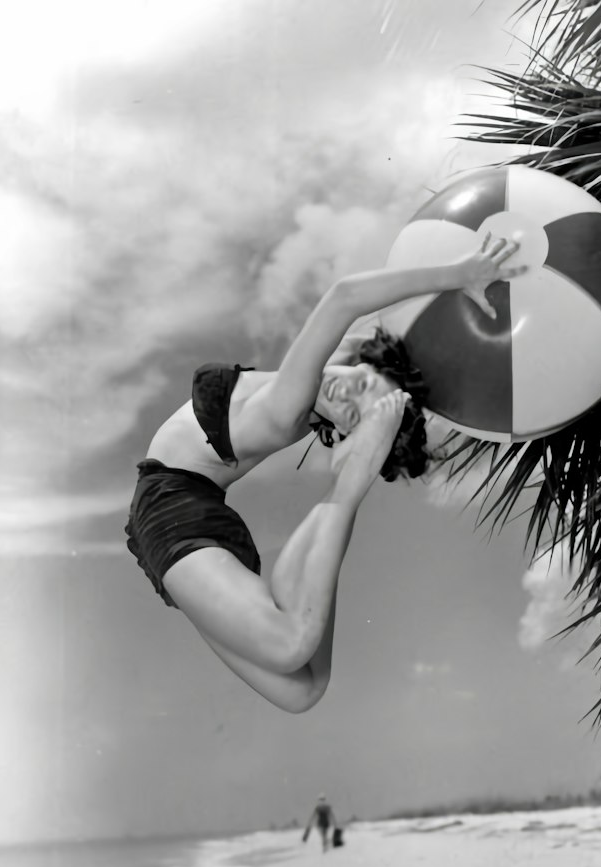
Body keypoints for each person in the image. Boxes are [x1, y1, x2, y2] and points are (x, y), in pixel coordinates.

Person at [125, 234, 525, 713]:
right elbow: (375, 319)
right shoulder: (328, 374)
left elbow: (343, 297)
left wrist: (460, 275)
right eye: (358, 382)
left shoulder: (292, 405)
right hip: (179, 512)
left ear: (342, 429)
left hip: (184, 515)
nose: (344, 394)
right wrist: (463, 283)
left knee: (304, 688)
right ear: (356, 363)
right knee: (297, 661)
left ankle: (351, 479)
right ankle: (351, 478)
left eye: (354, 413)